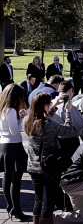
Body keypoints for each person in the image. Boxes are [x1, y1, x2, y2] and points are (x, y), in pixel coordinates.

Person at [24, 91, 74, 224]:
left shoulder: (28, 121)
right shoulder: (49, 125)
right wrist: (68, 111)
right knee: (47, 201)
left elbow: (44, 119)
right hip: (48, 167)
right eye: (49, 103)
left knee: (38, 199)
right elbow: (68, 129)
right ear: (44, 106)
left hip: (33, 166)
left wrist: (55, 106)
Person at [51, 81, 83, 212]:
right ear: (71, 90)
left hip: (57, 143)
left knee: (60, 174)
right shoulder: (69, 105)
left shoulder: (53, 104)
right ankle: (69, 204)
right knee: (70, 174)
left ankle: (59, 202)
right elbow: (80, 125)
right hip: (70, 143)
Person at [0, 84, 30, 221]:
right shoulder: (11, 110)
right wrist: (23, 118)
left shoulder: (4, 109)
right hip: (13, 146)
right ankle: (16, 209)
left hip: (4, 145)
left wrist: (19, 116)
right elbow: (15, 131)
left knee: (7, 178)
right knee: (16, 181)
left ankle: (10, 206)